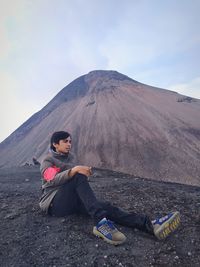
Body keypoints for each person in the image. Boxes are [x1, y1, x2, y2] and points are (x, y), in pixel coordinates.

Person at [39, 131, 180, 245]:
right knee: (78, 176)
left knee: (107, 207)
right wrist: (75, 171)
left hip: (72, 201)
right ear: (55, 144)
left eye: (70, 141)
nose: (69, 144)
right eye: (65, 141)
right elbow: (50, 179)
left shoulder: (71, 158)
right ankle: (101, 224)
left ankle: (149, 225)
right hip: (55, 204)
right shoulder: (48, 160)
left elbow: (74, 180)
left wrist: (81, 172)